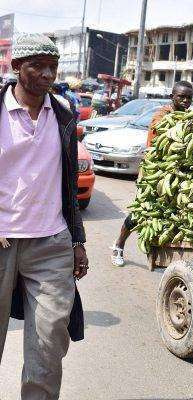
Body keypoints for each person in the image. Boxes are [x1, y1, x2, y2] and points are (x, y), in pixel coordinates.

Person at [0, 33, 88, 400]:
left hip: (51, 243)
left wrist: (77, 241)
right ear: (16, 67)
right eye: (37, 65)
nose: (47, 74)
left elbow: (69, 184)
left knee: (49, 344)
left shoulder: (64, 115)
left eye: (52, 66)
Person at [110, 81, 193, 266]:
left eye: (189, 97)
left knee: (171, 213)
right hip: (154, 172)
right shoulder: (162, 115)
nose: (186, 101)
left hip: (176, 173)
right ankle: (119, 244)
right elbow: (161, 127)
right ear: (173, 96)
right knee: (141, 211)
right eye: (181, 97)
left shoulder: (189, 116)